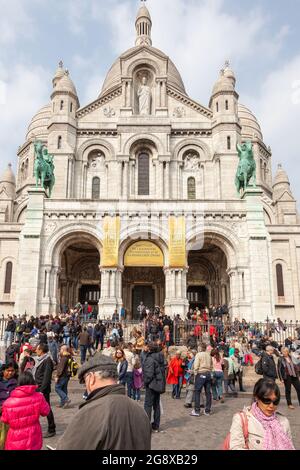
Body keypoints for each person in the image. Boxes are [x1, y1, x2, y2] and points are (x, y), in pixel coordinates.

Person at [55, 354, 151, 450]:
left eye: (85, 381)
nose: (86, 387)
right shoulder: (140, 411)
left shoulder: (91, 412)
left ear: (91, 378)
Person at [228, 378, 295, 450]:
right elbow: (236, 447)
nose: (271, 405)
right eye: (267, 400)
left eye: (275, 401)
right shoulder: (241, 420)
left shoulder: (283, 422)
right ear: (257, 397)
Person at [1, 372, 50, 450]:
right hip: (33, 434)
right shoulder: (39, 397)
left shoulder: (8, 402)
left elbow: (5, 420)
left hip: (15, 437)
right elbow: (46, 412)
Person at [32, 343, 56, 439]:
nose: (36, 351)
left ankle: (52, 428)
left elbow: (46, 377)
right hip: (36, 387)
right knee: (35, 409)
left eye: (37, 349)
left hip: (43, 389)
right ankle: (33, 428)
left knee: (47, 409)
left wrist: (42, 390)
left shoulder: (47, 360)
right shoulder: (39, 360)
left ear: (41, 350)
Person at [143, 342, 166, 433]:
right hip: (158, 384)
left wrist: (145, 383)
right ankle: (156, 426)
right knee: (156, 406)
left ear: (149, 349)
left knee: (148, 405)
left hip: (152, 384)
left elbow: (149, 374)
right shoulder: (160, 357)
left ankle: (146, 426)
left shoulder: (150, 359)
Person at [190, 343, 213, 417]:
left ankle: (197, 410)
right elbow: (211, 365)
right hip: (208, 373)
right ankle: (207, 410)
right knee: (208, 392)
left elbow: (196, 365)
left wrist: (194, 372)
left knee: (197, 391)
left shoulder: (198, 355)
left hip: (201, 373)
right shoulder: (208, 355)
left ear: (200, 348)